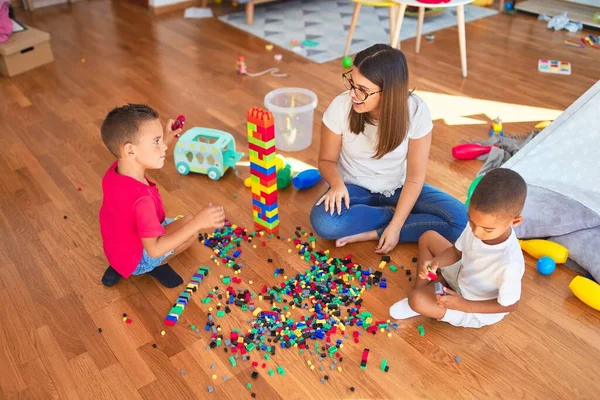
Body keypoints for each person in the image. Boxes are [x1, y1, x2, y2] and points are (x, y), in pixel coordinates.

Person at [309, 44, 467, 254]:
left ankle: (380, 228)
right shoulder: (340, 107)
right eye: (352, 83)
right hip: (354, 186)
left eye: (363, 90)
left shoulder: (416, 111)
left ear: (389, 92)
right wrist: (337, 185)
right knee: (325, 222)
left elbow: (414, 177)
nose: (353, 94)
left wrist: (394, 228)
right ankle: (390, 215)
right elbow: (327, 160)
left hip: (400, 187)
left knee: (461, 222)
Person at [99, 104, 225, 288]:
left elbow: (141, 156)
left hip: (116, 251)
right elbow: (155, 249)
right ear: (130, 150)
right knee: (190, 228)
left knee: (184, 226)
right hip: (139, 258)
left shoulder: (115, 172)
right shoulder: (142, 202)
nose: (162, 148)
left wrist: (165, 139)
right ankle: (154, 266)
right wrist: (198, 222)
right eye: (155, 142)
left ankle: (120, 267)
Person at [390, 168, 527, 328]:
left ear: (515, 222)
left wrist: (463, 305)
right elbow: (456, 252)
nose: (476, 232)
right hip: (462, 273)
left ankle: (421, 298)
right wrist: (437, 263)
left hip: (473, 305)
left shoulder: (509, 263)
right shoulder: (478, 226)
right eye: (471, 221)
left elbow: (510, 305)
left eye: (487, 229)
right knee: (428, 237)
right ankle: (424, 290)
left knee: (416, 300)